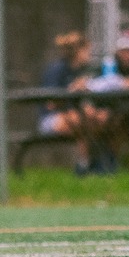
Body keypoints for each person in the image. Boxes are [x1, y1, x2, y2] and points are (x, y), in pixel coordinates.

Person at [36, 32, 111, 177]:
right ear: (78, 51)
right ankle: (85, 165)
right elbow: (50, 103)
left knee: (101, 117)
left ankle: (100, 163)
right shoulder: (57, 70)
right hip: (50, 120)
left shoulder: (82, 70)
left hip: (77, 116)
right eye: (87, 51)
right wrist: (72, 90)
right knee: (81, 119)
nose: (89, 55)